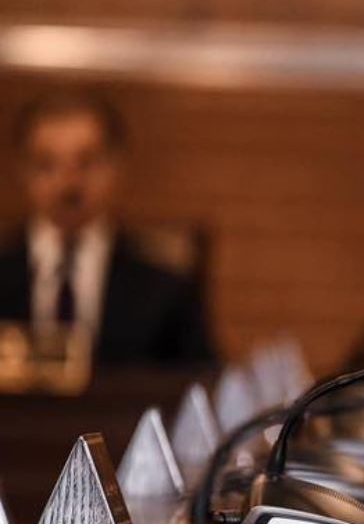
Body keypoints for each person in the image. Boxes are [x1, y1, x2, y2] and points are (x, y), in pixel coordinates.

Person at [0, 89, 216, 366]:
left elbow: (202, 378)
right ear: (22, 170)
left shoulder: (166, 288)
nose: (69, 183)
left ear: (116, 166)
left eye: (87, 163)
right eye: (47, 165)